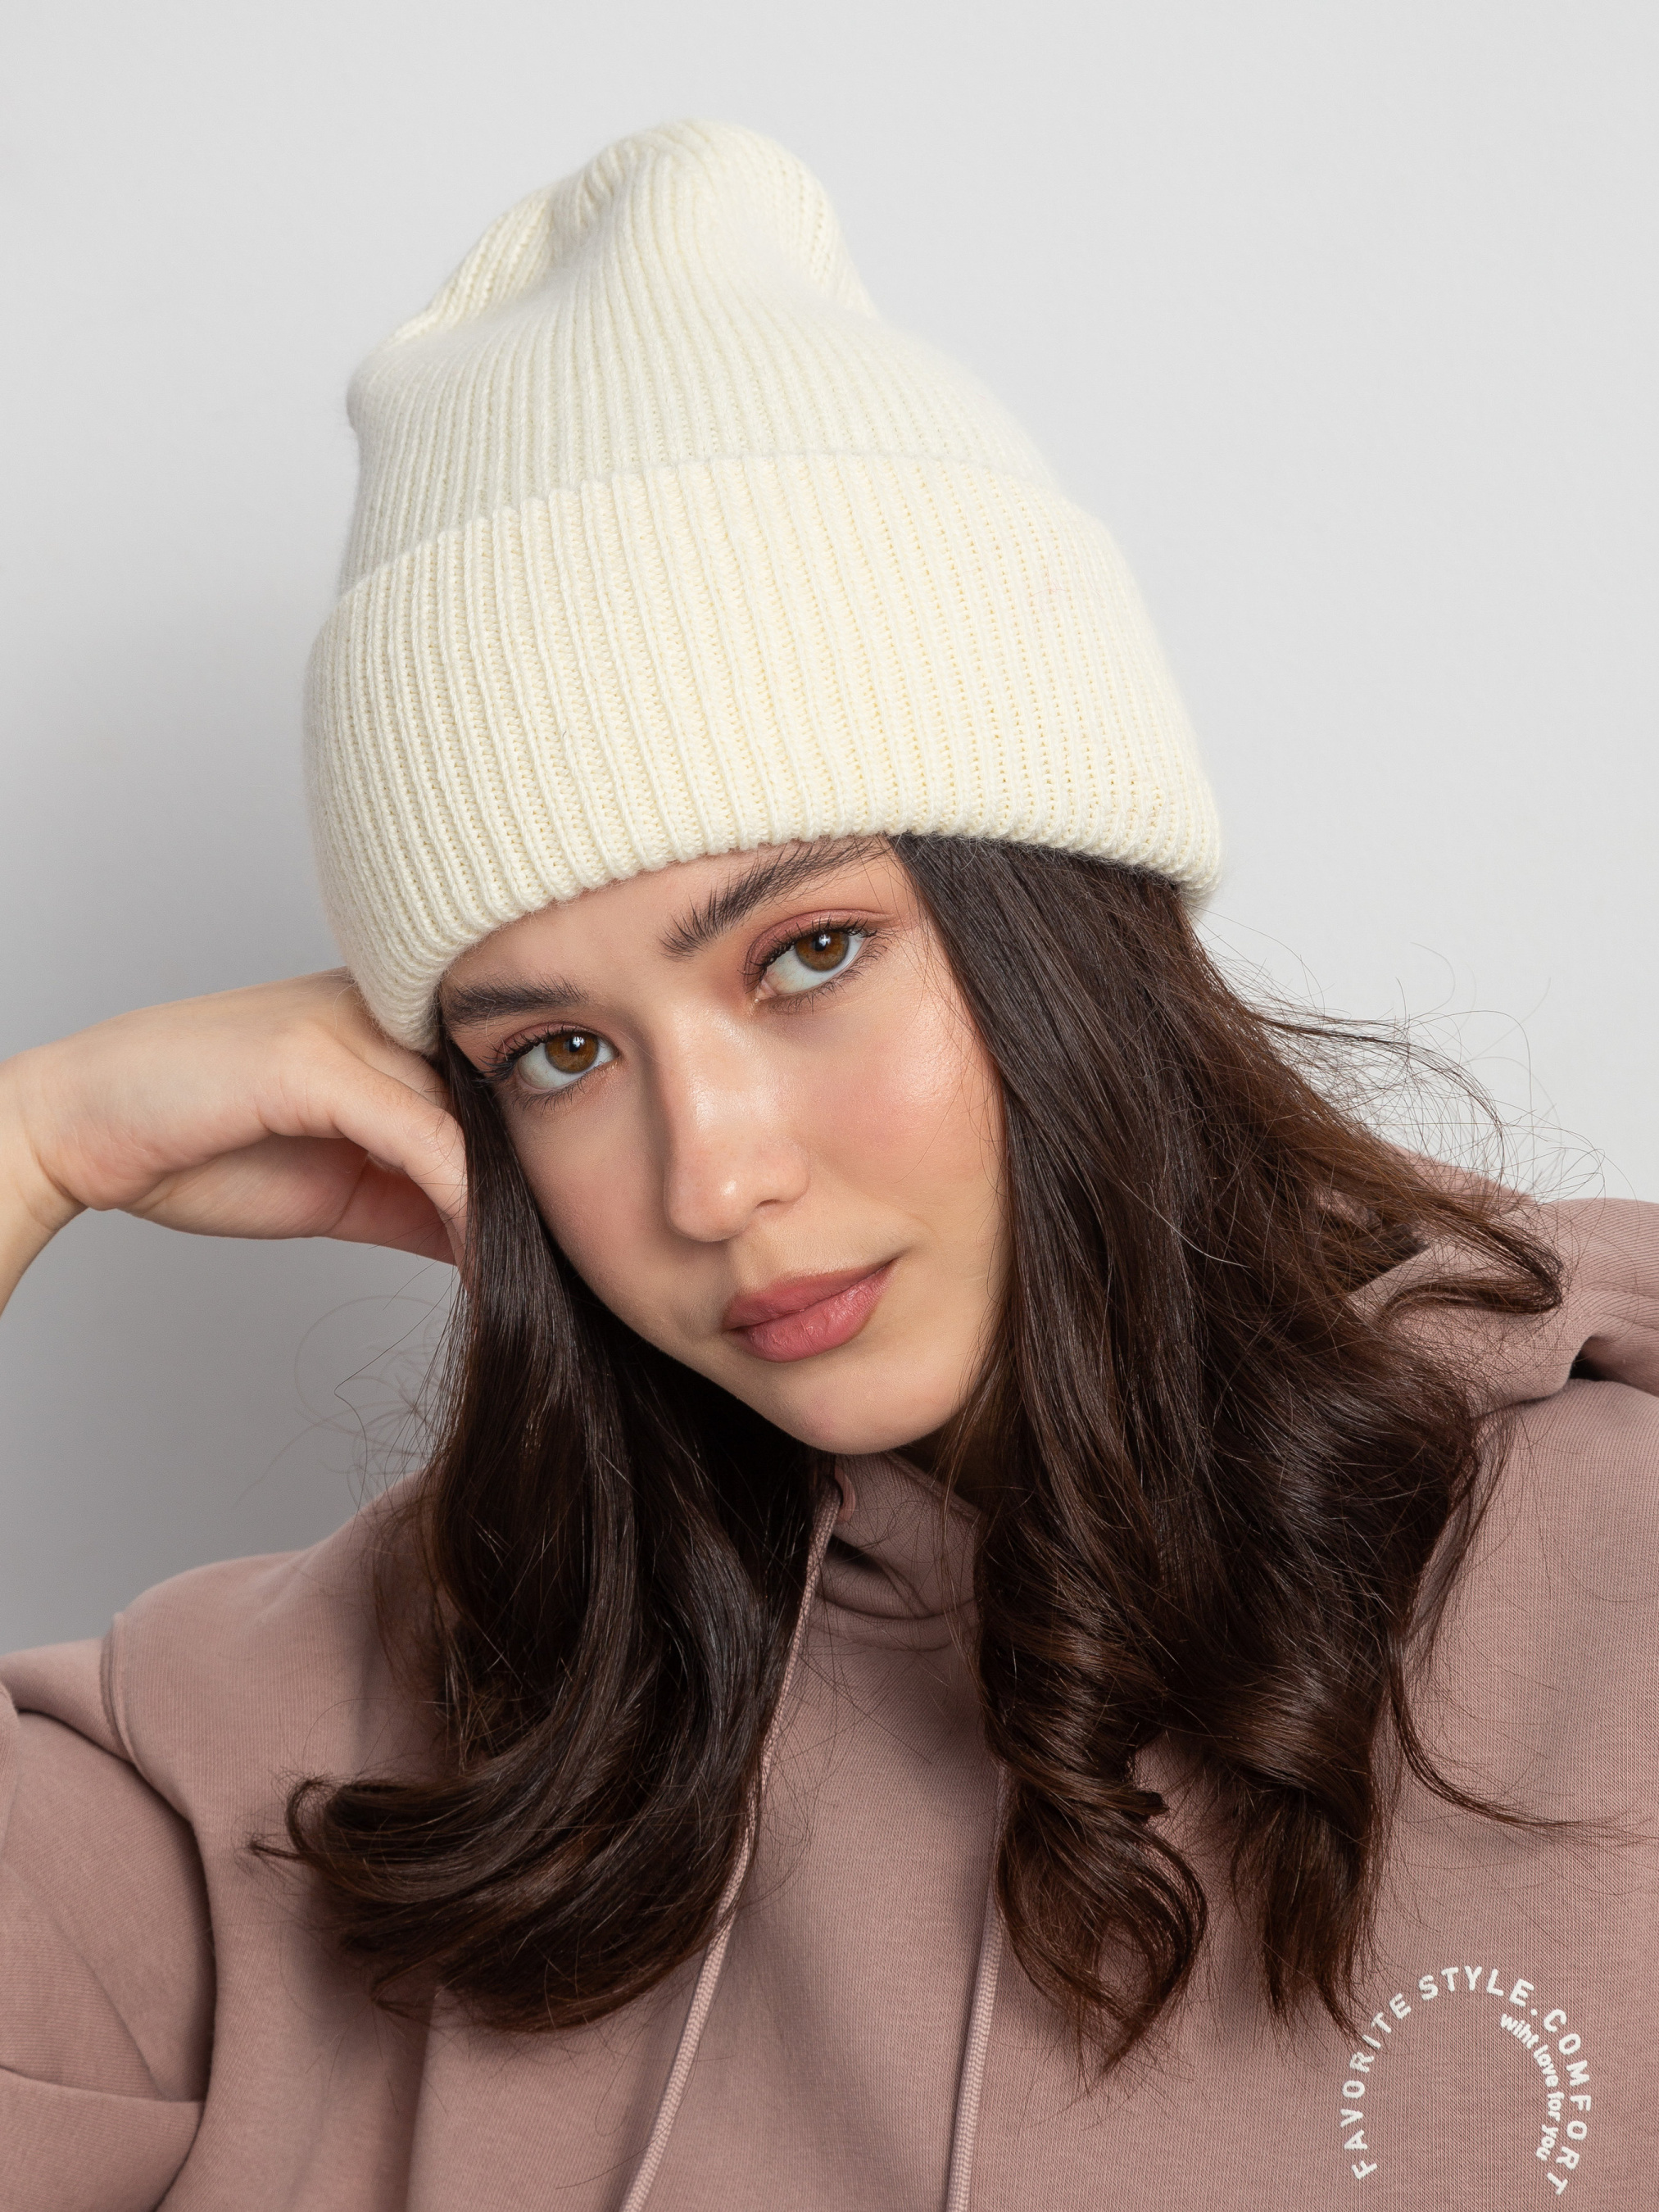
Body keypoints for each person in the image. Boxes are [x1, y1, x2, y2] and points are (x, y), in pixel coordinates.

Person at [0, 120, 1653, 2212]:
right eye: (560, 1053)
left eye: (805, 955)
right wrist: (33, 1142)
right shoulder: (326, 1755)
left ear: (1063, 929)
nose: (709, 1182)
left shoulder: (1608, 1577)